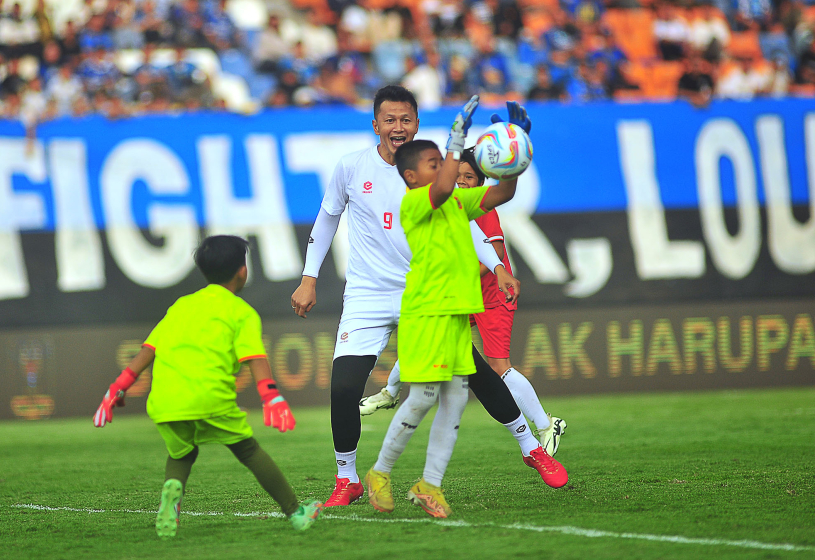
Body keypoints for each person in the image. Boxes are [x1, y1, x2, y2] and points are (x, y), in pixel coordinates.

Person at [291, 86, 541, 507]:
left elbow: (469, 219)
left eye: (405, 119)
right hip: (368, 295)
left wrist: (497, 264)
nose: (398, 127)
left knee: (475, 373)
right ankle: (347, 477)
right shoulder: (353, 167)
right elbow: (327, 216)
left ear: (417, 123)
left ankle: (531, 447)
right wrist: (308, 277)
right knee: (343, 388)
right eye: (390, 119)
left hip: (423, 292)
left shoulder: (435, 174)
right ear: (375, 125)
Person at [365, 99, 565, 519]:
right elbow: (440, 190)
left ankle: (428, 484)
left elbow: (503, 193)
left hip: (456, 316)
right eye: (434, 162)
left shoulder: (457, 202)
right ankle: (380, 473)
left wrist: (518, 149)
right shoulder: (416, 204)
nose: (445, 168)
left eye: (444, 161)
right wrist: (457, 141)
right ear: (410, 177)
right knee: (421, 399)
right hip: (426, 315)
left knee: (454, 403)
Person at [93, 235, 322, 537]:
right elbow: (255, 357)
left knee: (181, 454)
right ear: (243, 271)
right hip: (210, 398)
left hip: (164, 401)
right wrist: (272, 397)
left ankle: (171, 498)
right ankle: (296, 512)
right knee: (248, 450)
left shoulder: (181, 305)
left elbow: (147, 352)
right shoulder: (240, 312)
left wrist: (115, 390)